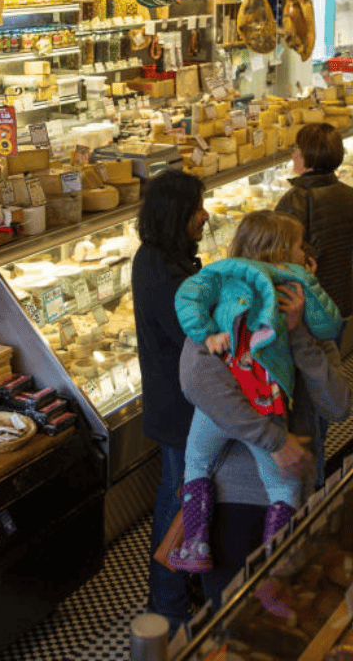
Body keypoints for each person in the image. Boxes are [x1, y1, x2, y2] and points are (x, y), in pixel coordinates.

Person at [168, 211, 342, 576]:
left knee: (271, 616)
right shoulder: (219, 314)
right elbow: (198, 383)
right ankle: (261, 563)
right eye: (298, 248)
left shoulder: (308, 324)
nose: (305, 254)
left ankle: (237, 558)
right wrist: (275, 441)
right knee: (231, 613)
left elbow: (338, 406)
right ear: (282, 255)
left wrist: (298, 337)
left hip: (302, 482)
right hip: (232, 498)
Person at [131, 169, 209, 635]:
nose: (204, 215)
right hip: (178, 407)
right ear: (176, 215)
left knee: (182, 496)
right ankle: (167, 600)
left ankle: (178, 587)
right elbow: (192, 336)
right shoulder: (162, 271)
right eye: (196, 208)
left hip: (175, 402)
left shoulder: (161, 258)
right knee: (177, 500)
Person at [274, 122, 353, 324]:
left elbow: (278, 259)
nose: (294, 155)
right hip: (345, 299)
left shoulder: (295, 200)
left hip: (313, 308)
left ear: (309, 155)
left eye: (297, 149)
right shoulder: (349, 193)